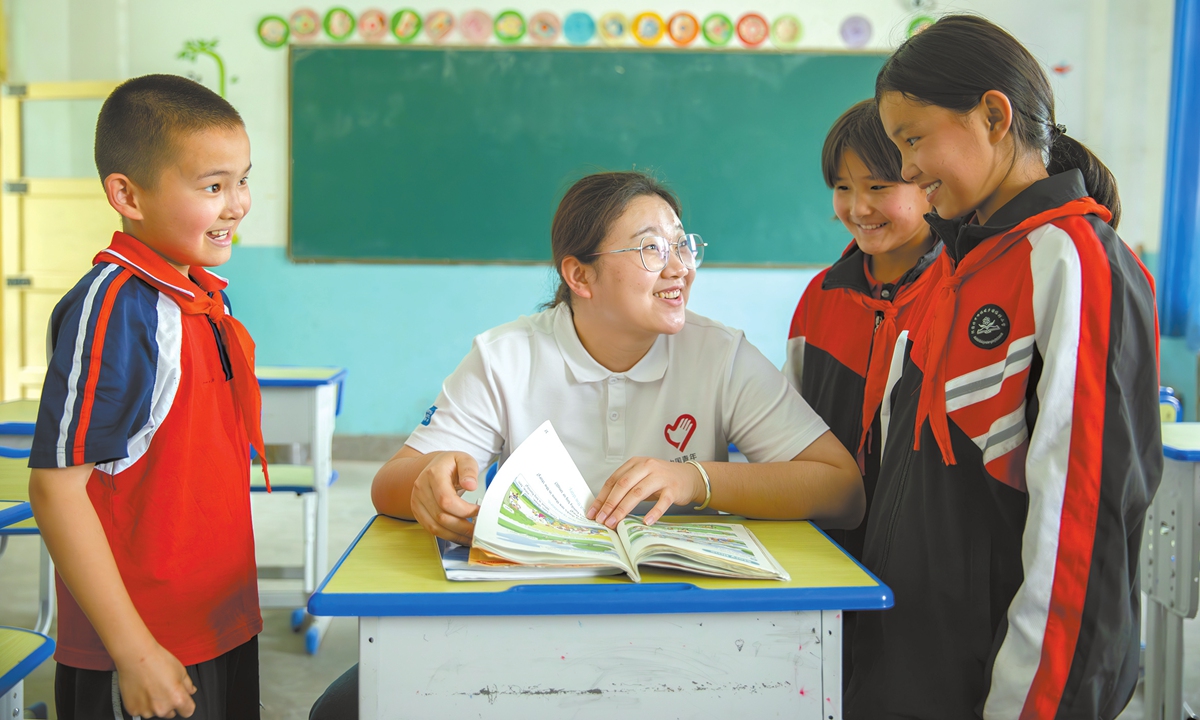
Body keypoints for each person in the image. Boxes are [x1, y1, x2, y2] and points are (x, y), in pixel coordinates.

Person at [310, 170, 864, 718]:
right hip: (528, 622)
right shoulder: (507, 356)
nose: (679, 269)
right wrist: (428, 479)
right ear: (580, 274)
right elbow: (389, 484)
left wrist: (695, 478)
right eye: (651, 249)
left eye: (682, 245)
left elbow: (841, 489)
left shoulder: (719, 354)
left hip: (684, 628)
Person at [845, 15, 1161, 719]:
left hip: (1002, 689)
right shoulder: (960, 267)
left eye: (914, 139)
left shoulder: (1073, 261)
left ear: (992, 115)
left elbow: (1080, 524)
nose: (908, 169)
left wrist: (1031, 704)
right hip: (908, 673)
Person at [28, 74, 265, 720]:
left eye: (242, 179)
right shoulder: (115, 308)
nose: (238, 203)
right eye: (213, 187)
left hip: (216, 624)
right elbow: (56, 487)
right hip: (143, 646)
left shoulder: (198, 296)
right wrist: (134, 652)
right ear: (127, 195)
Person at [785, 98, 941, 687]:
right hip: (827, 556)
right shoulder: (822, 295)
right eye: (843, 187)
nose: (858, 207)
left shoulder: (953, 299)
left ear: (928, 181)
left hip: (924, 573)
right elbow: (787, 423)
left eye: (879, 185)